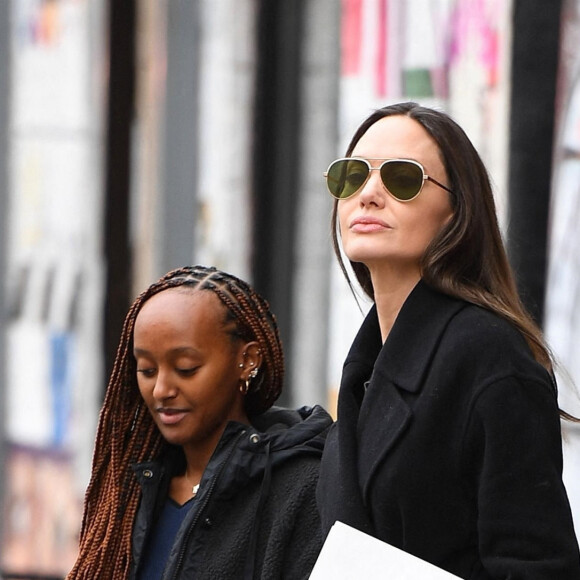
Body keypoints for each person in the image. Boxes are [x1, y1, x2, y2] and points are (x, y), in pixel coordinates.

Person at [317, 101, 580, 579]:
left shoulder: (490, 356)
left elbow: (539, 564)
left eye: (402, 179)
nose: (369, 194)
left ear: (456, 211)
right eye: (351, 176)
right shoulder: (367, 366)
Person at [67, 265, 332, 579]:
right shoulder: (131, 492)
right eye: (147, 370)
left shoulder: (305, 488)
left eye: (186, 368)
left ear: (247, 361)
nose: (162, 390)